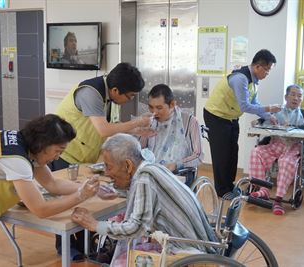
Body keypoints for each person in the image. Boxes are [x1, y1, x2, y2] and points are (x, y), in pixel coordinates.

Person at [0, 114, 101, 266]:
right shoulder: (16, 159)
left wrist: (89, 188)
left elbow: (52, 184)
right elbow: (41, 210)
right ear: (43, 144)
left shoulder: (25, 146)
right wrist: (81, 195)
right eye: (58, 151)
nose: (57, 157)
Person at [52, 62, 153, 255]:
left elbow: (111, 126)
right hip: (65, 151)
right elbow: (103, 129)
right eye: (129, 96)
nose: (129, 100)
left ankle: (85, 244)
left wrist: (137, 130)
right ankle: (63, 248)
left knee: (86, 199)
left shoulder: (109, 97)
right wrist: (138, 121)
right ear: (116, 90)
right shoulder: (90, 93)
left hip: (85, 155)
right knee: (66, 201)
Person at [71, 133, 218, 267]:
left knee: (122, 260)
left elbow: (137, 228)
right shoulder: (151, 169)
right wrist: (112, 190)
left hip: (190, 255)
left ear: (128, 165)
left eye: (109, 167)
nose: (106, 173)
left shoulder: (144, 180)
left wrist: (95, 225)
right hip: (199, 244)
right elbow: (138, 191)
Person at [203, 49, 281, 197]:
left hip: (231, 117)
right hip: (216, 116)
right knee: (221, 154)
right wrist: (269, 108)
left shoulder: (254, 81)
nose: (267, 74)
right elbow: (245, 106)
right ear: (258, 67)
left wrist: (268, 116)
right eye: (267, 70)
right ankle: (221, 190)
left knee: (233, 152)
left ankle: (229, 185)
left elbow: (254, 102)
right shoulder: (240, 78)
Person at [249, 84, 304, 215]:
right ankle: (263, 189)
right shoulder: (277, 110)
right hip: (275, 144)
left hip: (293, 147)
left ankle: (278, 199)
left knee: (286, 162)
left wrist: (292, 126)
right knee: (256, 152)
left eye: (299, 96)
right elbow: (262, 120)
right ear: (286, 97)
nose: (296, 98)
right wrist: (258, 123)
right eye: (293, 94)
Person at [139, 84, 203, 186]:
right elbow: (140, 149)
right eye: (151, 107)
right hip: (152, 172)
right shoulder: (149, 121)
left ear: (172, 104)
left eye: (159, 108)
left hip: (180, 173)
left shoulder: (189, 121)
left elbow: (198, 156)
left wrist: (176, 165)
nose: (154, 112)